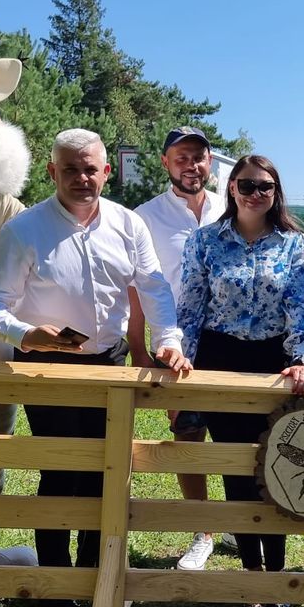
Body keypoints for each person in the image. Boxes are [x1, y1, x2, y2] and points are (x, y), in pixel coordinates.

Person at [0, 128, 191, 607]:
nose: (81, 178)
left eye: (90, 168)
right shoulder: (24, 229)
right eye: (70, 169)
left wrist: (170, 340)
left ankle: (96, 578)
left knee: (107, 473)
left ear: (106, 172)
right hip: (49, 369)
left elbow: (154, 288)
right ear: (52, 172)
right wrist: (26, 333)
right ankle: (53, 589)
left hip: (108, 365)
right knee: (60, 473)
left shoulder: (127, 224)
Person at [176, 153, 304, 607]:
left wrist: (303, 357)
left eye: (265, 186)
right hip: (220, 361)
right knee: (235, 468)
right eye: (247, 185)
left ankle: (276, 580)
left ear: (276, 191)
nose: (256, 193)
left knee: (274, 467)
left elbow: (302, 305)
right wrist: (184, 356)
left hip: (273, 363)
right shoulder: (204, 241)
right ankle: (248, 579)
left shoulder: (294, 244)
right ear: (232, 189)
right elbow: (191, 306)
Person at [128, 125, 226, 571]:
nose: (192, 164)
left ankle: (246, 522)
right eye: (181, 157)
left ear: (210, 162)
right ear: (165, 162)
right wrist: (138, 347)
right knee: (188, 436)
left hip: (232, 344)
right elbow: (137, 288)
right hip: (177, 347)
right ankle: (202, 531)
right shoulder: (144, 217)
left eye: (199, 156)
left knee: (242, 435)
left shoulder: (232, 207)